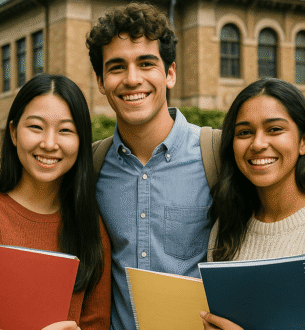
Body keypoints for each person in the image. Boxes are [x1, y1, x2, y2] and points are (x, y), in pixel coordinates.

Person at [0, 73, 111, 330]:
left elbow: (96, 324)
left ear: (81, 141)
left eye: (65, 130)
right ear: (14, 133)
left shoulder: (90, 227)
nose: (49, 143)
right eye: (36, 127)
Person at [86, 3, 214, 329]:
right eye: (116, 67)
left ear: (170, 73)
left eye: (146, 63)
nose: (132, 79)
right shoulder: (89, 168)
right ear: (101, 82)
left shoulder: (217, 156)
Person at [200, 78, 305, 330]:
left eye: (274, 129)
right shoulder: (226, 228)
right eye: (244, 132)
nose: (257, 144)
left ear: (304, 141)